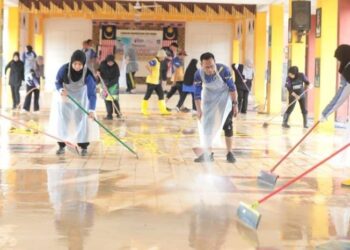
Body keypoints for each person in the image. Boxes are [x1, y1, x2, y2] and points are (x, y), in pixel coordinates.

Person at [49, 50, 100, 156]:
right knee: (63, 122)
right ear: (71, 62)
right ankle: (62, 145)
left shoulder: (88, 74)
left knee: (81, 122)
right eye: (75, 64)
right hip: (65, 98)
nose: (77, 66)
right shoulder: (64, 69)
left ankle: (83, 146)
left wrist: (91, 110)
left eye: (80, 64)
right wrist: (60, 90)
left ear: (83, 64)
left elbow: (92, 94)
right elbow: (57, 81)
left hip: (80, 99)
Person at [194, 52, 239, 163]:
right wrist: (199, 110)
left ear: (215, 62)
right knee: (207, 125)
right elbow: (197, 93)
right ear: (201, 65)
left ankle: (229, 153)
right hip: (209, 98)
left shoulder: (224, 70)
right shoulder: (198, 74)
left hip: (224, 97)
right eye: (206, 67)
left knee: (227, 124)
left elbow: (232, 88)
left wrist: (235, 104)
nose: (210, 69)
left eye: (212, 66)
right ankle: (208, 154)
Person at [319, 44, 350, 187]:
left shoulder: (349, 69)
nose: (338, 63)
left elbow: (341, 96)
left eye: (338, 59)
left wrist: (325, 113)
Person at [141, 49, 171, 116]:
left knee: (161, 95)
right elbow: (146, 65)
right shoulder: (155, 61)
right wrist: (150, 71)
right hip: (151, 82)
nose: (164, 58)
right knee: (147, 96)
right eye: (163, 57)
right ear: (160, 56)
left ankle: (163, 110)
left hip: (157, 82)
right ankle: (144, 110)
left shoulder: (159, 62)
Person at [97, 54, 121, 120]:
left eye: (112, 62)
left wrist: (108, 85)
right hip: (104, 84)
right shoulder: (102, 64)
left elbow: (116, 78)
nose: (110, 63)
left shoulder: (116, 66)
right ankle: (109, 115)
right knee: (107, 100)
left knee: (114, 99)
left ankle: (118, 113)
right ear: (106, 61)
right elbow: (99, 70)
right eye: (109, 62)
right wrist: (98, 71)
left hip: (113, 85)